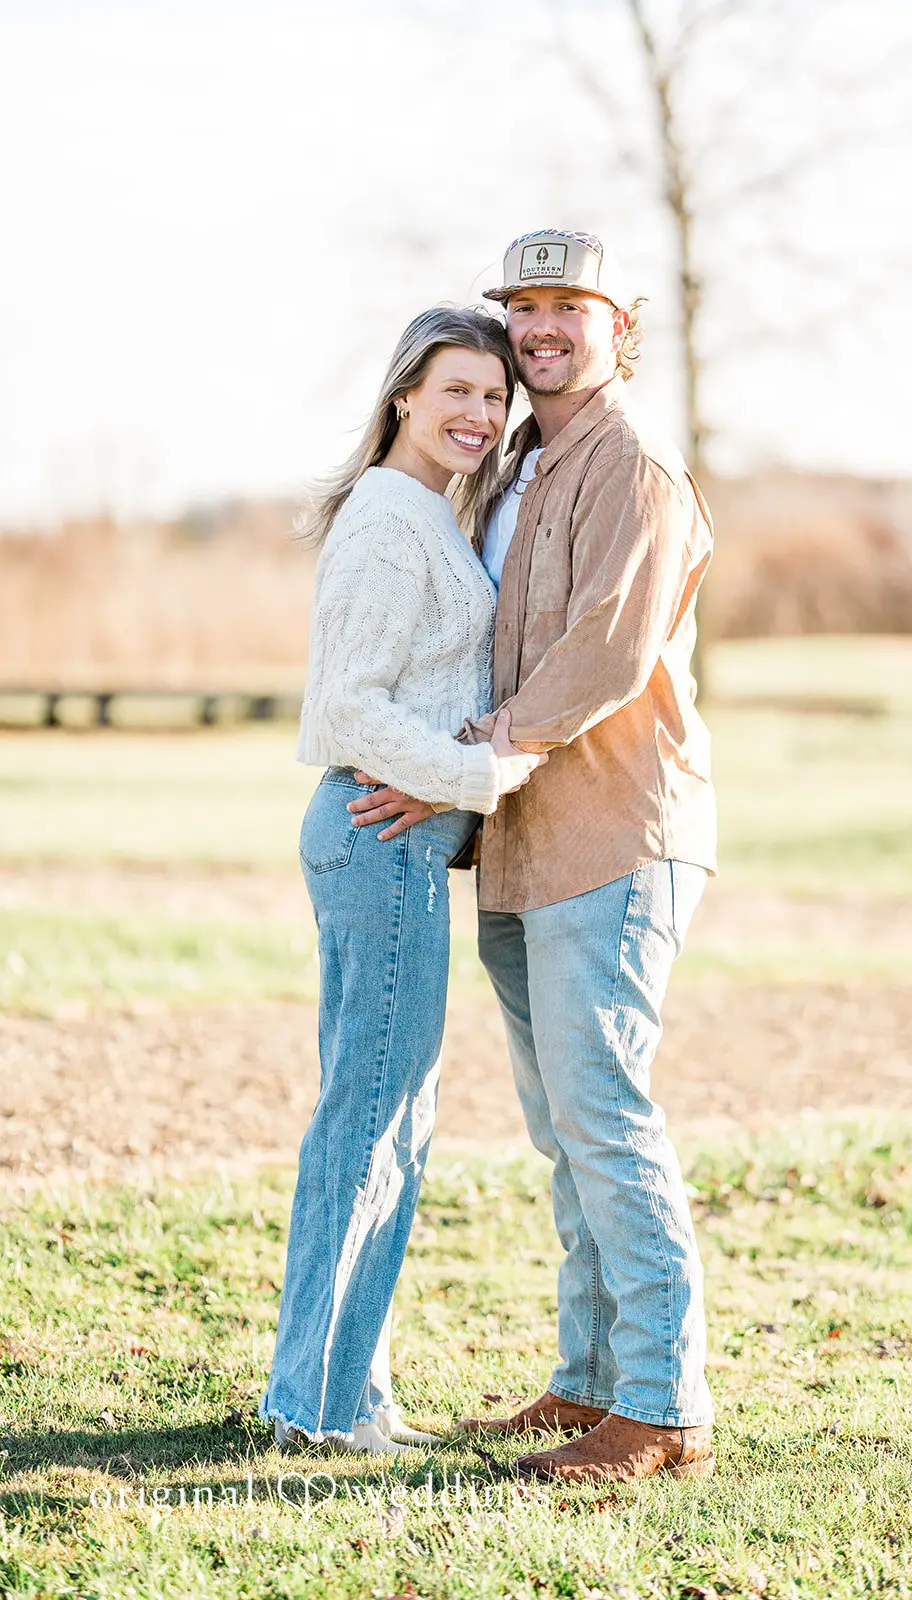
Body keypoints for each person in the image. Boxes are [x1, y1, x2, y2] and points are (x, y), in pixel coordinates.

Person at [348, 229, 718, 1483]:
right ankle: (590, 1378)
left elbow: (608, 654)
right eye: (527, 307)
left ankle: (661, 1407)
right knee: (564, 1126)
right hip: (518, 841)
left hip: (614, 831)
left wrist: (460, 754)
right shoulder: (521, 467)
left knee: (605, 1114)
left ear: (620, 326)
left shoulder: (635, 469)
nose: (544, 326)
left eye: (573, 306)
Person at [259, 306, 545, 1457]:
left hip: (395, 843)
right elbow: (344, 711)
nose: (479, 415)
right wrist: (482, 774)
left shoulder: (422, 512)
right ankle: (317, 1406)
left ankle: (344, 1394)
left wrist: (448, 780)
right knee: (369, 1122)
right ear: (402, 398)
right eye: (457, 392)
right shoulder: (388, 520)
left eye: (494, 398)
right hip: (376, 842)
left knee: (389, 1118)